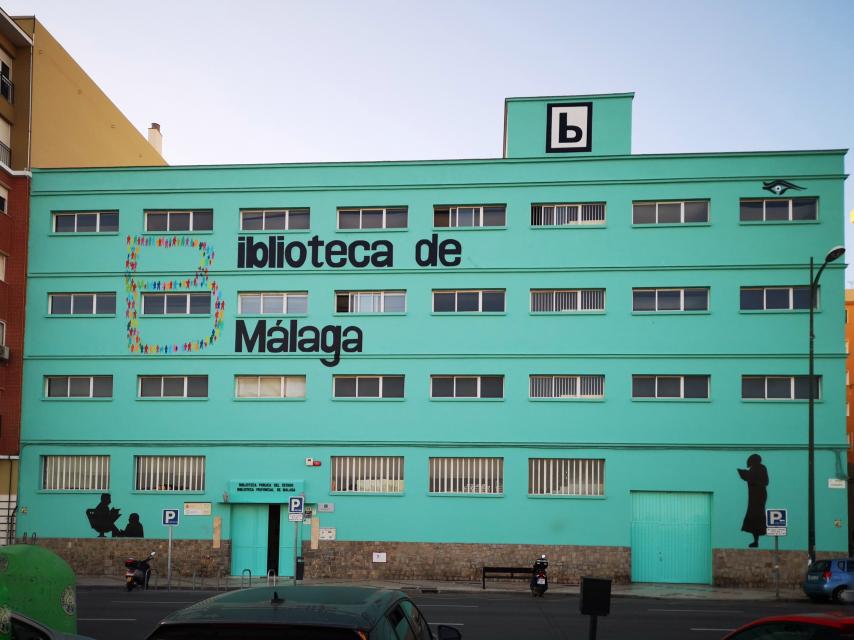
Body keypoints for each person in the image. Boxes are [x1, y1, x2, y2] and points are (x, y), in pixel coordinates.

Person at [738, 454, 769, 548]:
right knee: (753, 516)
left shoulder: (761, 468)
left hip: (758, 496)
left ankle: (756, 540)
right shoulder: (755, 469)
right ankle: (756, 541)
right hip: (753, 496)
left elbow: (765, 482)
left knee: (757, 515)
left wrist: (750, 476)